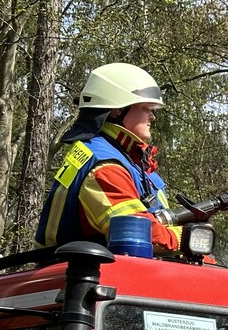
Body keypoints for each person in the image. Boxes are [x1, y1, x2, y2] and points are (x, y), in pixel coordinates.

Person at [36, 62, 181, 254]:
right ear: (118, 110)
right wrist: (188, 237)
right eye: (146, 108)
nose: (152, 116)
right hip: (84, 277)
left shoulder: (132, 164)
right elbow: (136, 235)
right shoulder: (105, 167)